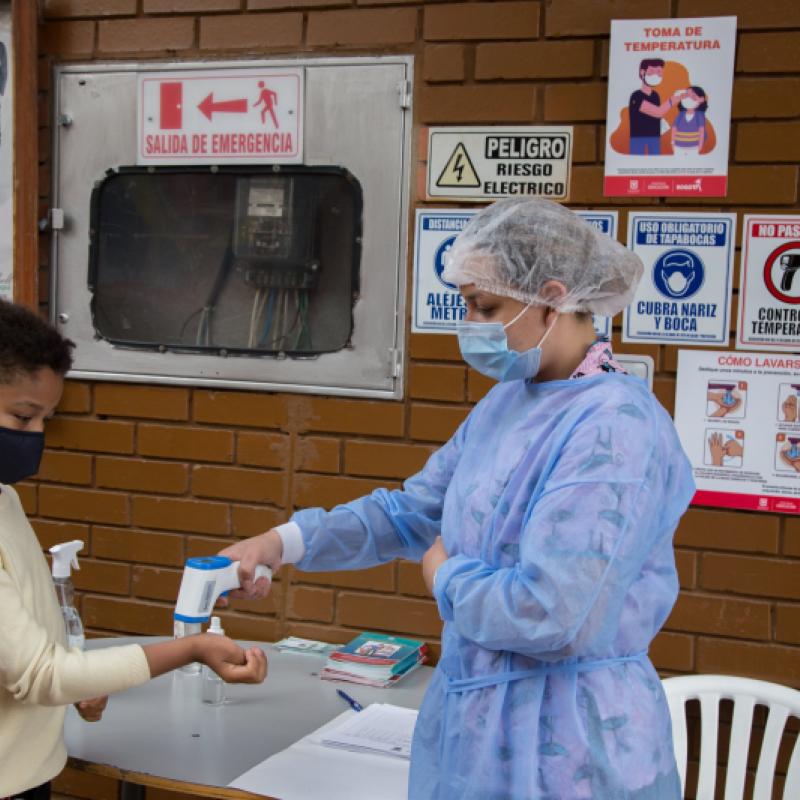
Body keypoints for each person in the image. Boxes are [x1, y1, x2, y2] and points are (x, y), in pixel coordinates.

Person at [221, 197, 696, 799]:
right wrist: (282, 543)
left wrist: (445, 577)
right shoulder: (510, 402)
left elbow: (554, 615)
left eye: (485, 306)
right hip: (478, 735)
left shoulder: (617, 429)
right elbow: (412, 511)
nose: (469, 323)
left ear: (551, 295)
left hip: (573, 750)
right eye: (466, 304)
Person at [0, 300, 267, 800]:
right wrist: (192, 647)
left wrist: (75, 683)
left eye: (47, 420)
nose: (37, 435)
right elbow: (41, 674)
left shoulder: (5, 499)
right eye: (22, 417)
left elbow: (25, 649)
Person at [629, 58, 686, 155]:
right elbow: (657, 112)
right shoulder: (636, 96)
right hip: (638, 138)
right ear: (642, 72)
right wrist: (672, 100)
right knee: (637, 163)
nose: (656, 75)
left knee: (654, 163)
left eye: (659, 72)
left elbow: (657, 116)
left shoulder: (655, 95)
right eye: (652, 71)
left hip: (654, 138)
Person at [671, 86, 708, 157]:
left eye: (693, 96)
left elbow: (701, 131)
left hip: (693, 147)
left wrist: (700, 146)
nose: (689, 98)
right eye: (687, 95)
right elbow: (674, 128)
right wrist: (672, 143)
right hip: (678, 146)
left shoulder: (699, 115)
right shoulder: (681, 114)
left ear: (701, 99)